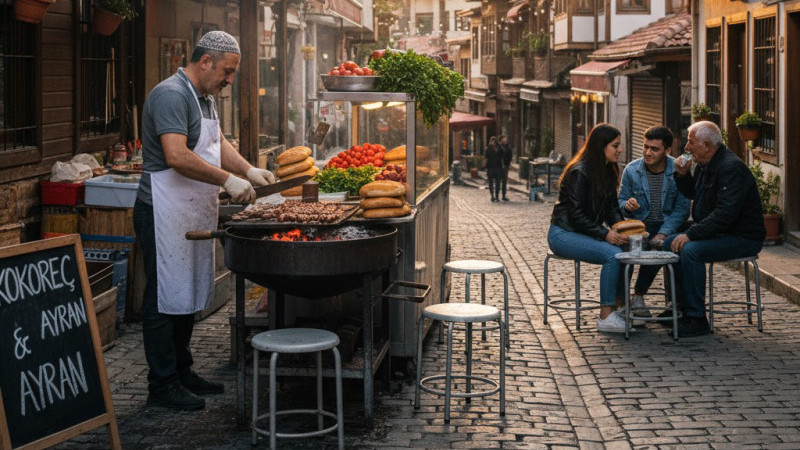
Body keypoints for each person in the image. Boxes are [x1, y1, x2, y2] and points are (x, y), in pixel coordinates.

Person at [133, 31, 276, 410]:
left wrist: (248, 169)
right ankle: (161, 384)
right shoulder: (171, 95)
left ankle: (182, 370)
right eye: (227, 71)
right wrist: (227, 181)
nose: (230, 79)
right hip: (162, 209)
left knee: (187, 290)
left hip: (191, 206)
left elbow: (218, 143)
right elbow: (177, 156)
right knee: (164, 296)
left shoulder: (206, 98)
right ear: (205, 62)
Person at [663, 121, 765, 337]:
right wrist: (682, 176)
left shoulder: (731, 167)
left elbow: (725, 214)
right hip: (718, 232)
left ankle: (696, 317)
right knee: (668, 242)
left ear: (707, 145)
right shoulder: (703, 165)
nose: (687, 148)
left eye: (691, 143)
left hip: (742, 236)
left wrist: (690, 234)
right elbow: (695, 195)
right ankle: (678, 308)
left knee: (690, 250)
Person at [547, 123, 630, 333]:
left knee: (627, 249)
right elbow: (576, 216)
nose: (620, 150)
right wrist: (605, 235)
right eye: (615, 145)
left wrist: (622, 229)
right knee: (613, 255)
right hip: (563, 233)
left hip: (582, 232)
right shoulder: (579, 171)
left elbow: (611, 208)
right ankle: (606, 315)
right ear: (601, 146)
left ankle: (619, 307)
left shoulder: (609, 170)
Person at [617, 126, 690, 317]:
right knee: (625, 249)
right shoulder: (632, 170)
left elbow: (682, 209)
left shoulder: (678, 170)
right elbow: (620, 199)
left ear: (667, 151)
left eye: (654, 149)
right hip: (640, 226)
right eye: (646, 147)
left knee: (661, 246)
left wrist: (664, 232)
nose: (648, 153)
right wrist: (627, 205)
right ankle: (621, 302)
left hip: (668, 226)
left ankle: (639, 296)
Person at [484, 136, 505, 202]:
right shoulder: (489, 149)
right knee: (492, 182)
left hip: (496, 168)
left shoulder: (498, 149)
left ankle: (496, 196)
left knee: (497, 182)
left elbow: (502, 156)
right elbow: (486, 158)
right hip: (492, 168)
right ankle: (493, 196)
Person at [498, 135, 513, 201]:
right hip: (498, 166)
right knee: (498, 181)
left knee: (504, 181)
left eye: (505, 139)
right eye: (503, 139)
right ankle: (496, 195)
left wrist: (508, 162)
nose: (505, 140)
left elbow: (510, 155)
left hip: (506, 166)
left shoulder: (508, 147)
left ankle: (504, 195)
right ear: (501, 140)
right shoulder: (498, 147)